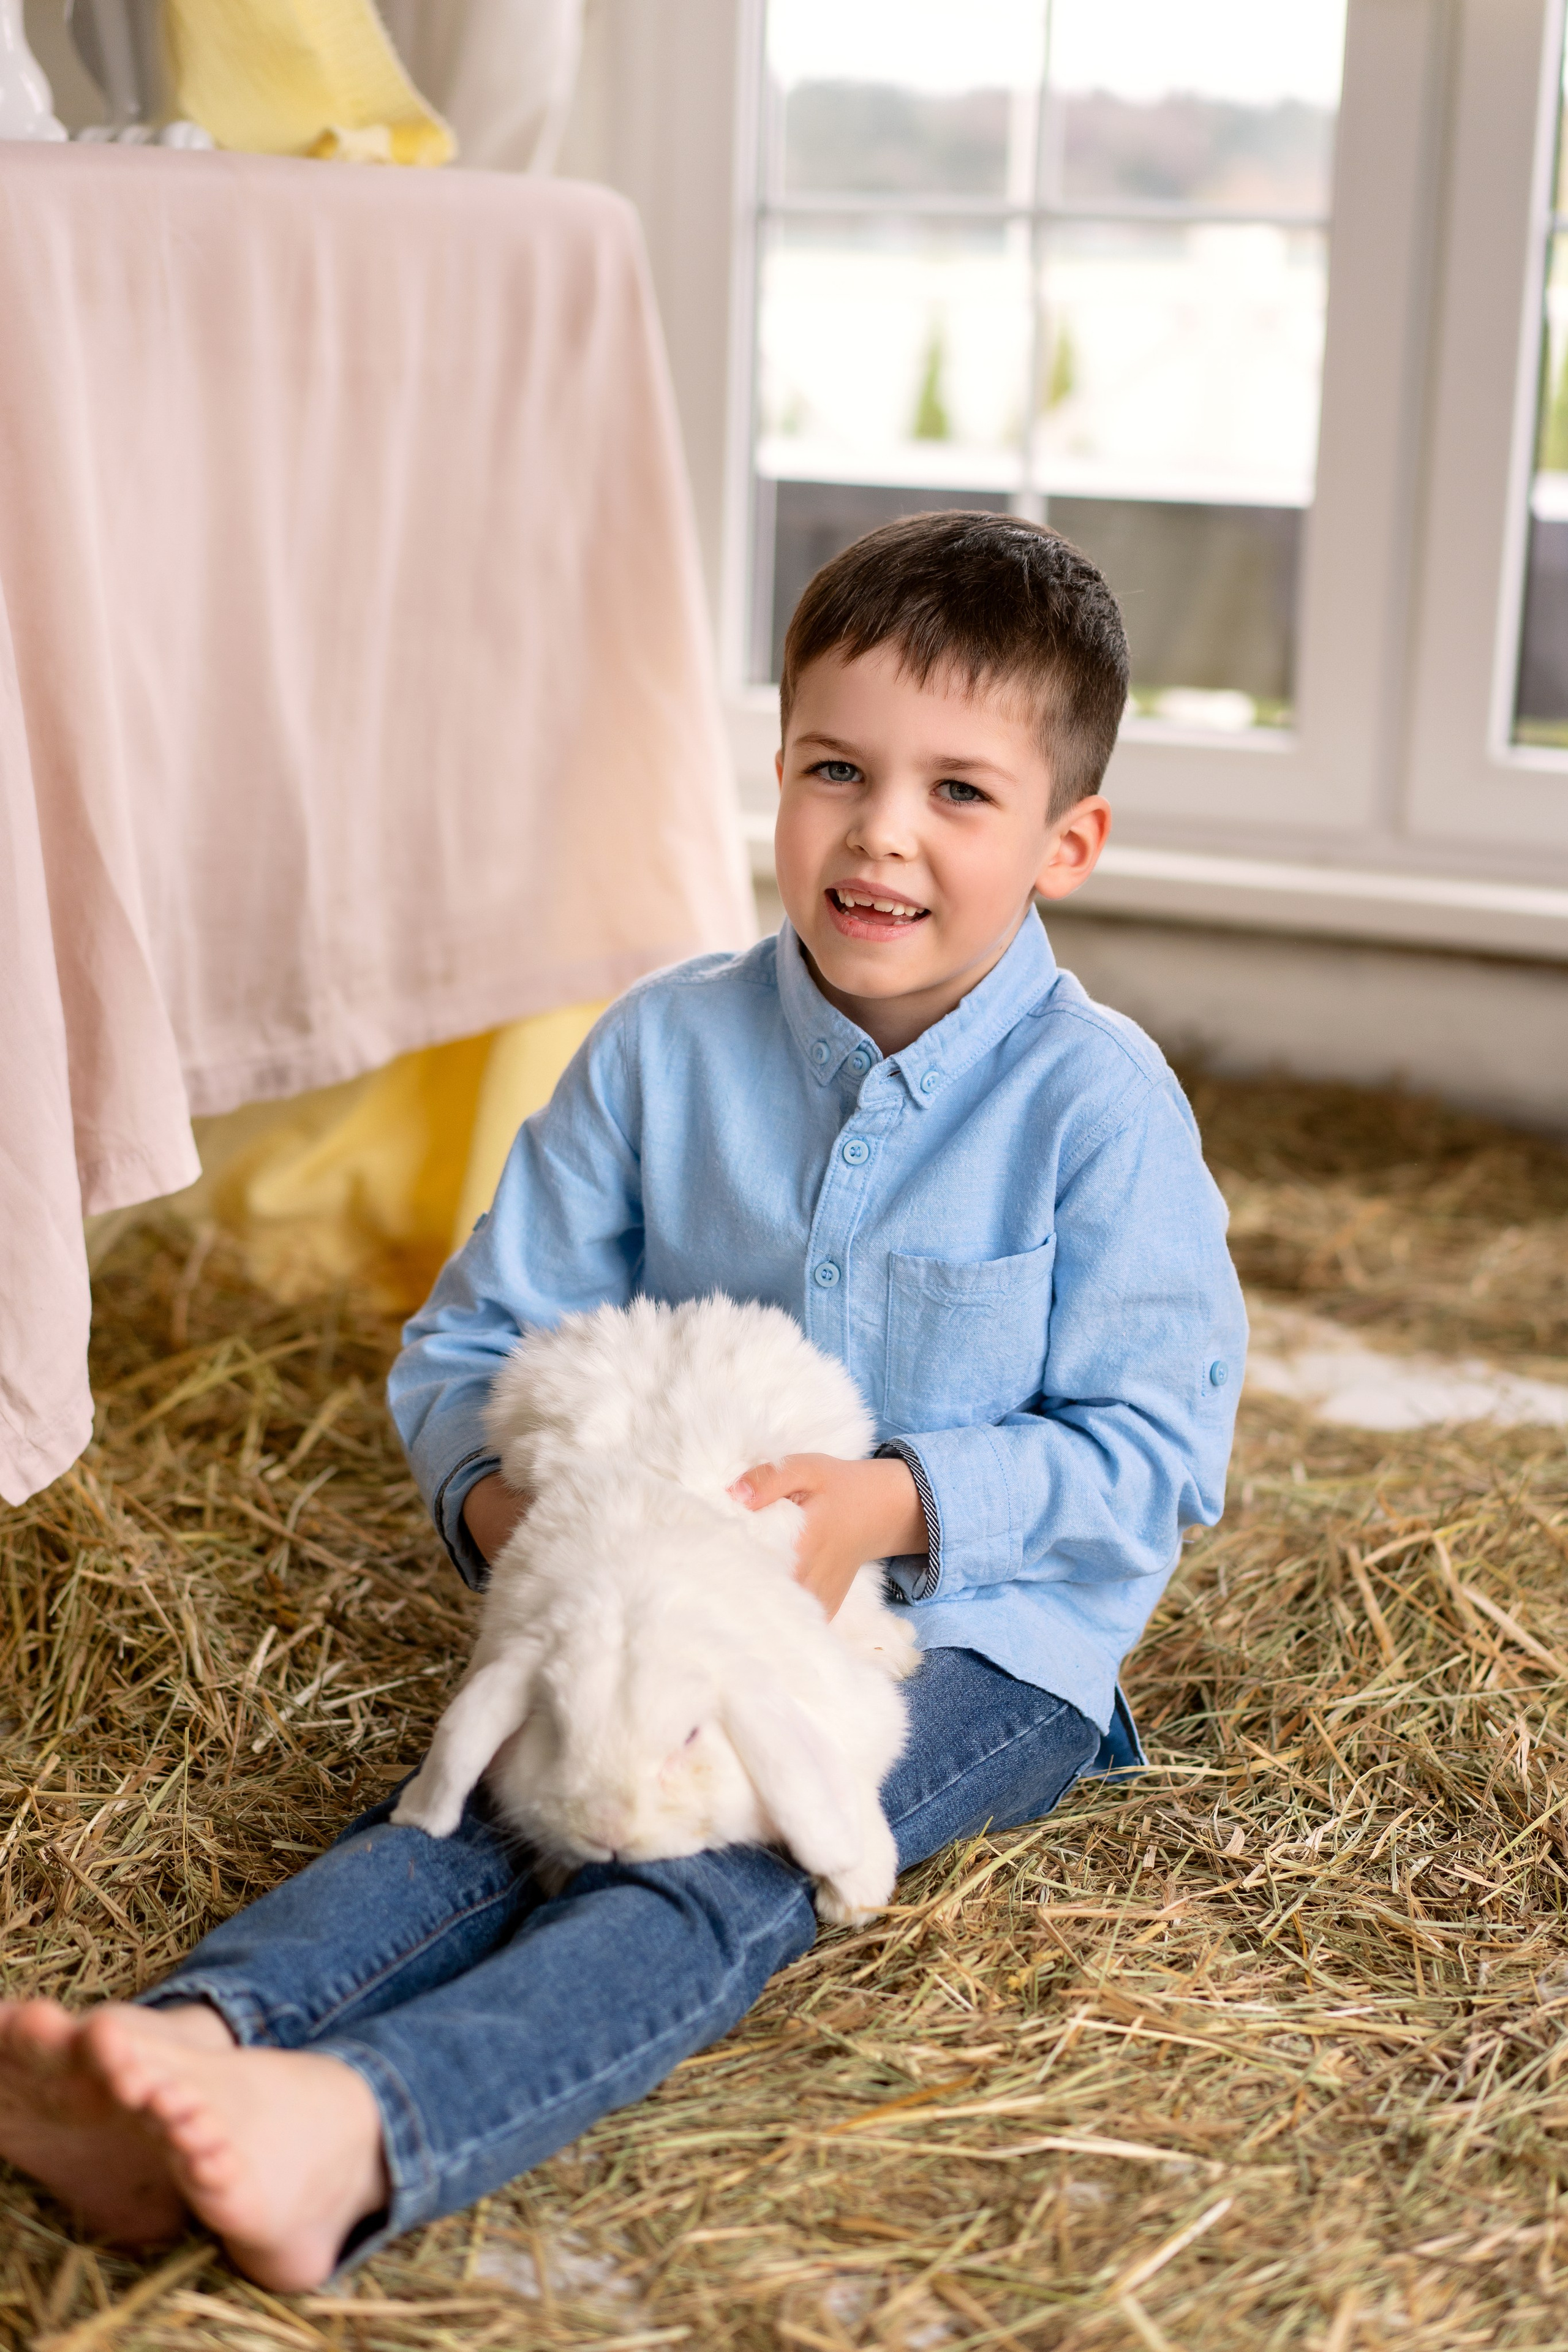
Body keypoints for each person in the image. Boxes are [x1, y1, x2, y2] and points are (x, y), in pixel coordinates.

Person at [0, 513, 1246, 2288]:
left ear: (1070, 841)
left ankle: (364, 2127)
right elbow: (466, 1345)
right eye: (838, 768)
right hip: (655, 1568)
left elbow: (1152, 1455)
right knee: (501, 1782)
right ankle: (205, 2039)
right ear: (780, 771)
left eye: (960, 794)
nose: (882, 832)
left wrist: (882, 1507)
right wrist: (535, 1532)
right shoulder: (665, 1049)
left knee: (716, 1854)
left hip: (978, 1634)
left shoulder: (1098, 1111)